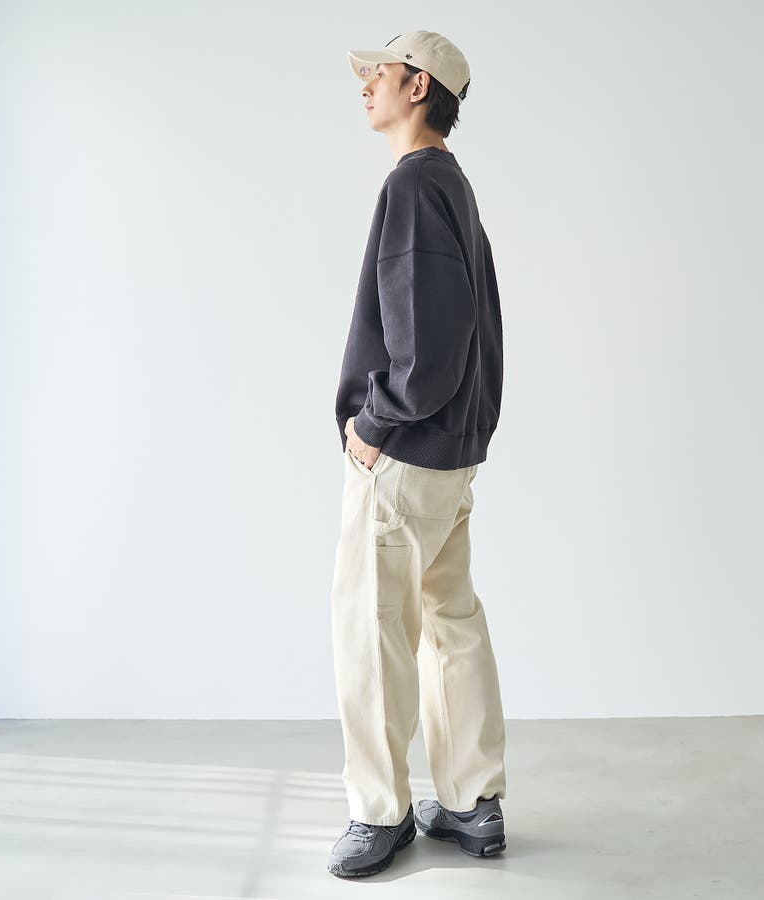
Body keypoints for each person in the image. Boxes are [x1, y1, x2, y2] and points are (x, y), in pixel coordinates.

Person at [327, 30, 508, 878]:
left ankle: (379, 813)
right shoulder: (452, 186)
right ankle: (473, 804)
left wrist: (374, 422)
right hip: (451, 453)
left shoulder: (413, 185)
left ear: (419, 84)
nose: (365, 82)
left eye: (380, 71)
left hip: (404, 454)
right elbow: (473, 332)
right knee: (450, 621)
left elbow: (427, 344)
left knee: (373, 630)